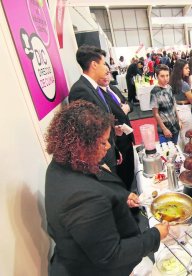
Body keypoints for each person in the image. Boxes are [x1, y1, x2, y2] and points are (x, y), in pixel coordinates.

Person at [45, 100, 169, 276]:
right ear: (81, 146)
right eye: (103, 143)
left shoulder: (63, 162)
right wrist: (155, 235)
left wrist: (121, 197)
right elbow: (111, 255)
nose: (109, 146)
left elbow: (98, 187)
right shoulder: (80, 198)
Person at [68, 45, 120, 173]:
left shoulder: (94, 88)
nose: (105, 67)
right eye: (103, 63)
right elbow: (85, 132)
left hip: (108, 148)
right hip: (99, 157)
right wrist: (100, 162)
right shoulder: (81, 90)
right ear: (94, 65)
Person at [98, 67, 135, 190]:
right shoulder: (99, 94)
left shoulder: (113, 89)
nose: (107, 77)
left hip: (128, 135)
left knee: (131, 169)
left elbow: (130, 103)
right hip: (117, 140)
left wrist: (127, 108)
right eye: (104, 74)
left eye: (108, 73)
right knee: (123, 174)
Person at [150, 64, 181, 144]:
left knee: (175, 148)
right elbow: (155, 114)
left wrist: (179, 120)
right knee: (166, 152)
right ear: (157, 76)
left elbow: (174, 105)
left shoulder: (169, 87)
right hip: (164, 128)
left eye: (167, 75)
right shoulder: (154, 92)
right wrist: (164, 129)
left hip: (175, 125)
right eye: (162, 76)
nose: (165, 78)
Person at [169, 59, 192, 149]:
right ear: (180, 69)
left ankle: (181, 156)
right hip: (185, 110)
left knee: (180, 137)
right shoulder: (184, 84)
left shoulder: (172, 82)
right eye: (186, 68)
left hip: (176, 110)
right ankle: (187, 157)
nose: (189, 70)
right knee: (187, 137)